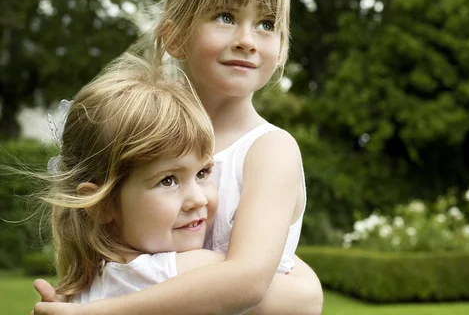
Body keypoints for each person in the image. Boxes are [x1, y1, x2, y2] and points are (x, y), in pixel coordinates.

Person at [33, 0, 323, 315]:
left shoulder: (270, 151)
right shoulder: (142, 127)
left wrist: (101, 311)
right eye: (225, 17)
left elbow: (249, 281)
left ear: (282, 48)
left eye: (266, 24)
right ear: (173, 36)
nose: (247, 41)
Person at [32, 53, 320, 314]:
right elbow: (305, 299)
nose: (198, 199)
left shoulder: (94, 281)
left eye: (203, 173)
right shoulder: (187, 270)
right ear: (102, 204)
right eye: (168, 180)